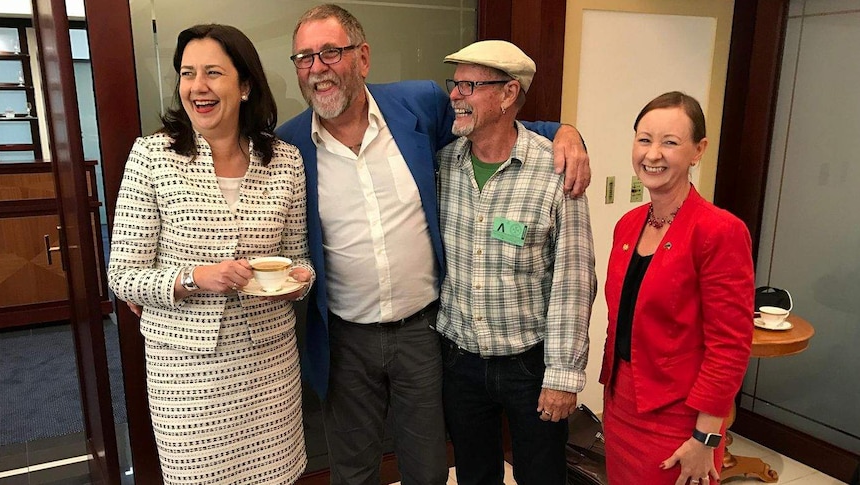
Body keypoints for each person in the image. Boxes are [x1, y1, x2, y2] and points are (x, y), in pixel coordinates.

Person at [275, 4, 591, 484]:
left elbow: (493, 125)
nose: (317, 68)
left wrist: (565, 131)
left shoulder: (417, 106)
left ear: (362, 57)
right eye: (304, 57)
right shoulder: (290, 144)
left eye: (330, 53)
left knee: (427, 467)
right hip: (347, 337)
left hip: (423, 334)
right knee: (353, 468)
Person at [108, 24, 313, 484]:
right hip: (186, 374)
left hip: (269, 365)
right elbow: (122, 276)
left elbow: (300, 259)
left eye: (213, 73)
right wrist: (195, 277)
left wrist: (296, 284)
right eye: (187, 73)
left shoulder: (285, 160)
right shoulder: (151, 156)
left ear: (244, 86)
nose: (197, 86)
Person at [435, 41, 597, 485]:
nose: (455, 95)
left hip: (529, 363)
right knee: (473, 475)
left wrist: (564, 375)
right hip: (459, 360)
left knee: (542, 476)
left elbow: (574, 280)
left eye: (469, 85)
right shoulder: (442, 165)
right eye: (455, 83)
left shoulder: (556, 169)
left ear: (508, 94)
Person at [599, 91, 755, 485]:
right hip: (621, 404)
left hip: (681, 418)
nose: (653, 154)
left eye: (670, 142)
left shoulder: (720, 231)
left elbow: (730, 345)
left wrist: (706, 436)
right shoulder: (628, 224)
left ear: (698, 150)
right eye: (644, 139)